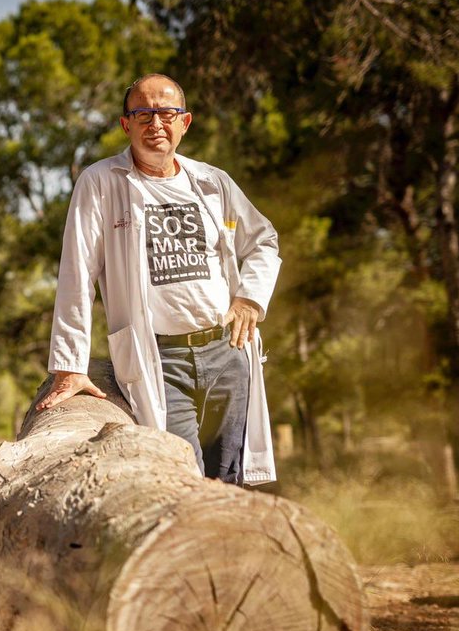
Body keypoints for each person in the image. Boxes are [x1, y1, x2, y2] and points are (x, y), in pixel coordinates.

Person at [36, 74, 280, 485]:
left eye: (166, 113)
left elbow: (263, 241)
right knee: (178, 479)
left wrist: (250, 300)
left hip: (227, 355)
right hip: (160, 362)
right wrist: (70, 365)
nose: (155, 124)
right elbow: (77, 273)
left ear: (185, 122)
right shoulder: (100, 182)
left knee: (228, 483)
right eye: (143, 114)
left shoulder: (213, 182)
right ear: (125, 124)